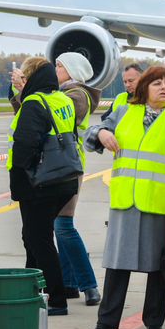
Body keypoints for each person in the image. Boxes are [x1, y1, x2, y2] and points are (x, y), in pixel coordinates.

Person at [86, 66, 165, 329]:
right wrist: (102, 134)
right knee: (117, 263)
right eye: (157, 83)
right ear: (144, 87)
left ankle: (154, 321)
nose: (164, 88)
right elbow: (94, 131)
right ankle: (107, 322)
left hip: (160, 201)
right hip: (126, 200)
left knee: (158, 266)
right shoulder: (125, 110)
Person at [8, 56, 79, 316]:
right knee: (35, 235)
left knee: (38, 239)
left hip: (40, 182)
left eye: (26, 77)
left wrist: (19, 183)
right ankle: (34, 287)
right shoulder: (63, 100)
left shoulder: (34, 103)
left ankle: (56, 298)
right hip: (65, 178)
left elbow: (25, 146)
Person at [54, 52, 102, 306]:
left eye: (59, 66)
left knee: (64, 226)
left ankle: (89, 285)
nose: (55, 69)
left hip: (68, 168)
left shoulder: (76, 96)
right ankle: (69, 283)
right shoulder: (66, 93)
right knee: (59, 225)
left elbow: (52, 116)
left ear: (71, 71)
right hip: (63, 166)